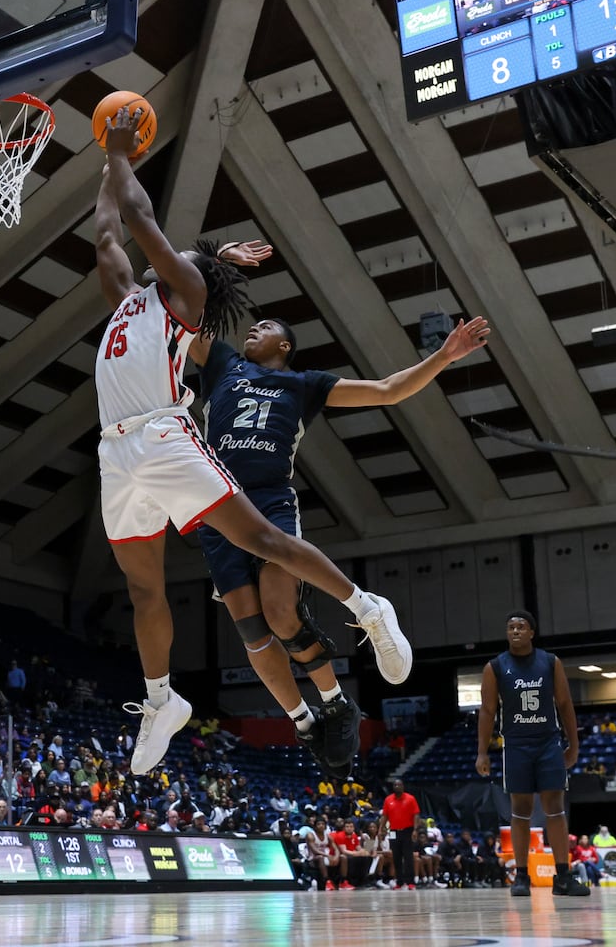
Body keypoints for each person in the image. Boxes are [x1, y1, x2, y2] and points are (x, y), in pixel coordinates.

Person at [93, 115, 410, 776]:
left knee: (265, 547)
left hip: (162, 432)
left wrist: (123, 154)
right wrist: (106, 163)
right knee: (143, 592)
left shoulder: (187, 296)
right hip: (115, 453)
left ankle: (365, 606)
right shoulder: (129, 298)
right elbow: (107, 237)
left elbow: (140, 219)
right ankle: (160, 702)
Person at [188, 310, 489, 776]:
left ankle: (340, 686)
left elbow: (389, 390)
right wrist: (210, 263)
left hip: (267, 499)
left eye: (267, 326)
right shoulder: (222, 362)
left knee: (281, 614)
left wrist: (444, 356)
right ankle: (305, 721)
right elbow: (180, 310)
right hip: (217, 508)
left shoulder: (306, 384)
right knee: (251, 631)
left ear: (284, 346)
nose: (253, 328)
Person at [475, 611, 589, 897]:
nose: (515, 630)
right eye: (510, 626)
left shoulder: (550, 662)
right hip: (515, 744)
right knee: (521, 809)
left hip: (548, 742)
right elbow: (488, 711)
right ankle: (522, 876)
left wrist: (573, 745)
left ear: (531, 633)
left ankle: (563, 876)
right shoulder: (496, 667)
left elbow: (564, 704)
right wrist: (482, 752)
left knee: (554, 806)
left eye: (520, 626)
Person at [380, 779, 419, 890]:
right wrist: (380, 829)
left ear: (403, 786)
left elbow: (416, 815)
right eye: (395, 785)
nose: (397, 786)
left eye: (399, 784)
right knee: (396, 857)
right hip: (393, 831)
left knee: (408, 857)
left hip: (407, 830)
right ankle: (399, 882)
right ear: (393, 787)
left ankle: (410, 882)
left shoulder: (410, 799)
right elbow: (385, 816)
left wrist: (415, 830)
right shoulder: (388, 800)